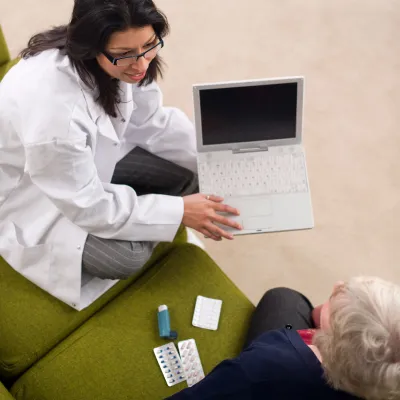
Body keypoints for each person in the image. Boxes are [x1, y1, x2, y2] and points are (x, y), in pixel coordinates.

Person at [0, 0, 242, 310]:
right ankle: (150, 217)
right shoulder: (55, 119)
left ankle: (146, 215)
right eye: (124, 55)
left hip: (81, 168)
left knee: (191, 177)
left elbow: (151, 122)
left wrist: (216, 157)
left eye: (150, 45)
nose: (141, 65)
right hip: (35, 201)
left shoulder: (127, 60)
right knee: (126, 259)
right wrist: (177, 213)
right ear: (91, 46)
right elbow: (88, 208)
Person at [169, 277, 400, 400]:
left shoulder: (267, 363)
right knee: (288, 299)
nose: (338, 284)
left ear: (323, 345)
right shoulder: (386, 384)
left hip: (287, 373)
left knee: (283, 299)